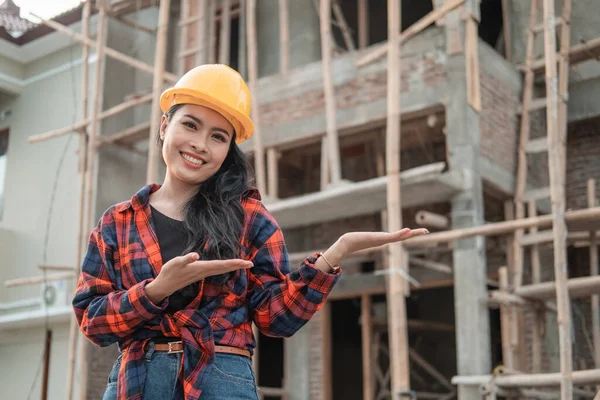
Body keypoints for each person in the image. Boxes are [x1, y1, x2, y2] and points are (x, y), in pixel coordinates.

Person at [72, 64, 428, 400]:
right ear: (165, 126)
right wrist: (155, 291)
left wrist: (332, 256)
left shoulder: (247, 217)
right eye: (190, 125)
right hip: (139, 380)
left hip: (220, 376)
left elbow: (276, 319)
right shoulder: (117, 222)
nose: (200, 144)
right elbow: (92, 322)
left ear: (227, 150)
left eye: (218, 136)